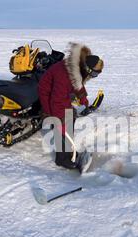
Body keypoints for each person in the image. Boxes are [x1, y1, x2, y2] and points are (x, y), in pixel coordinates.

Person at [38, 42, 104, 173]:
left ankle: (68, 150)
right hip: (48, 94)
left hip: (58, 94)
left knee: (69, 118)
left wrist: (83, 99)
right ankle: (62, 159)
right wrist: (57, 119)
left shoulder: (78, 67)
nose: (94, 77)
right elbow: (57, 99)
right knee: (62, 124)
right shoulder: (65, 75)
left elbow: (78, 84)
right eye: (94, 74)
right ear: (88, 69)